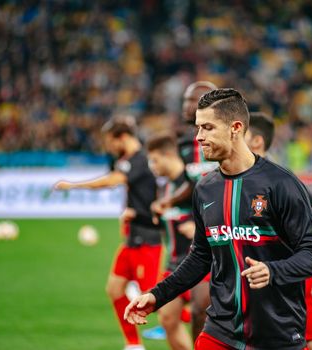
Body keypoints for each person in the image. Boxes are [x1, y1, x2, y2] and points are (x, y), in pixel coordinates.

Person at [125, 88, 312, 349]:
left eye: (207, 127)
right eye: (198, 128)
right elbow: (200, 256)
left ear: (235, 127)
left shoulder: (281, 184)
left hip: (276, 333)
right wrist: (156, 295)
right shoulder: (205, 188)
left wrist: (273, 270)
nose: (198, 137)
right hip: (220, 331)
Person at [54, 118, 162, 350]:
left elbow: (112, 181)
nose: (109, 147)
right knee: (114, 289)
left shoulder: (140, 160)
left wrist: (73, 186)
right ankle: (133, 345)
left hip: (148, 239)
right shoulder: (125, 161)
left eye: (110, 142)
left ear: (122, 137)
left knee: (159, 303)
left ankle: (201, 314)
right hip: (132, 238)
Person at [246, 112, 312, 350]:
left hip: (290, 266)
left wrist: (289, 231)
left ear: (257, 141)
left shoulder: (280, 177)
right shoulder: (241, 177)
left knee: (310, 332)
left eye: (243, 133)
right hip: (259, 267)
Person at [149, 81, 218, 341]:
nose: (186, 106)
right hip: (187, 244)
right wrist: (169, 201)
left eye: (193, 100)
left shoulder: (225, 142)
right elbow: (192, 184)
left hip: (218, 239)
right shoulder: (186, 147)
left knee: (203, 308)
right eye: (186, 101)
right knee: (168, 318)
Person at [146, 133, 195, 350]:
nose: (152, 166)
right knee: (167, 319)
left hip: (200, 264)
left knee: (204, 321)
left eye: (155, 160)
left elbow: (215, 210)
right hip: (174, 263)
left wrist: (198, 227)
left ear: (168, 155)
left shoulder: (193, 181)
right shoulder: (165, 187)